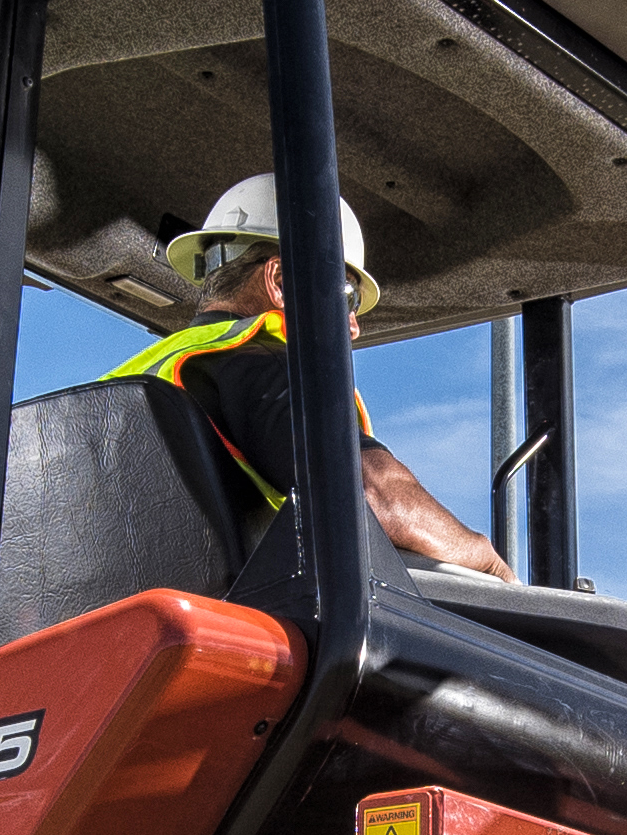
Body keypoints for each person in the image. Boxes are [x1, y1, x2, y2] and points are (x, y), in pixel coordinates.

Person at [115, 171, 512, 581]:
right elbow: (375, 494)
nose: (354, 326)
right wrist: (487, 560)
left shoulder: (139, 378)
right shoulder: (258, 354)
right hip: (238, 635)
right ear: (281, 282)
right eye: (347, 297)